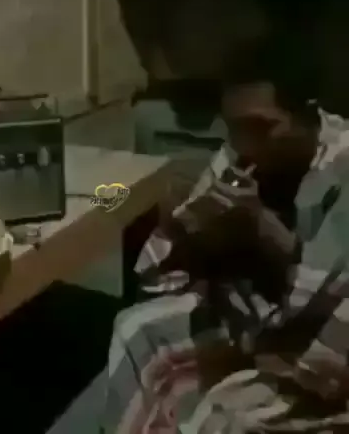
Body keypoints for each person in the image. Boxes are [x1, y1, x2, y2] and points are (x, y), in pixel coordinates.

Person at [102, 41, 349, 433]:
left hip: (315, 346)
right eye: (235, 129)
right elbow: (163, 270)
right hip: (247, 319)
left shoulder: (342, 165)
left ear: (307, 113)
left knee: (221, 417)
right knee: (134, 329)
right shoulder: (240, 152)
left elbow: (320, 300)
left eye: (261, 128)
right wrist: (198, 234)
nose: (245, 144)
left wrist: (260, 226)